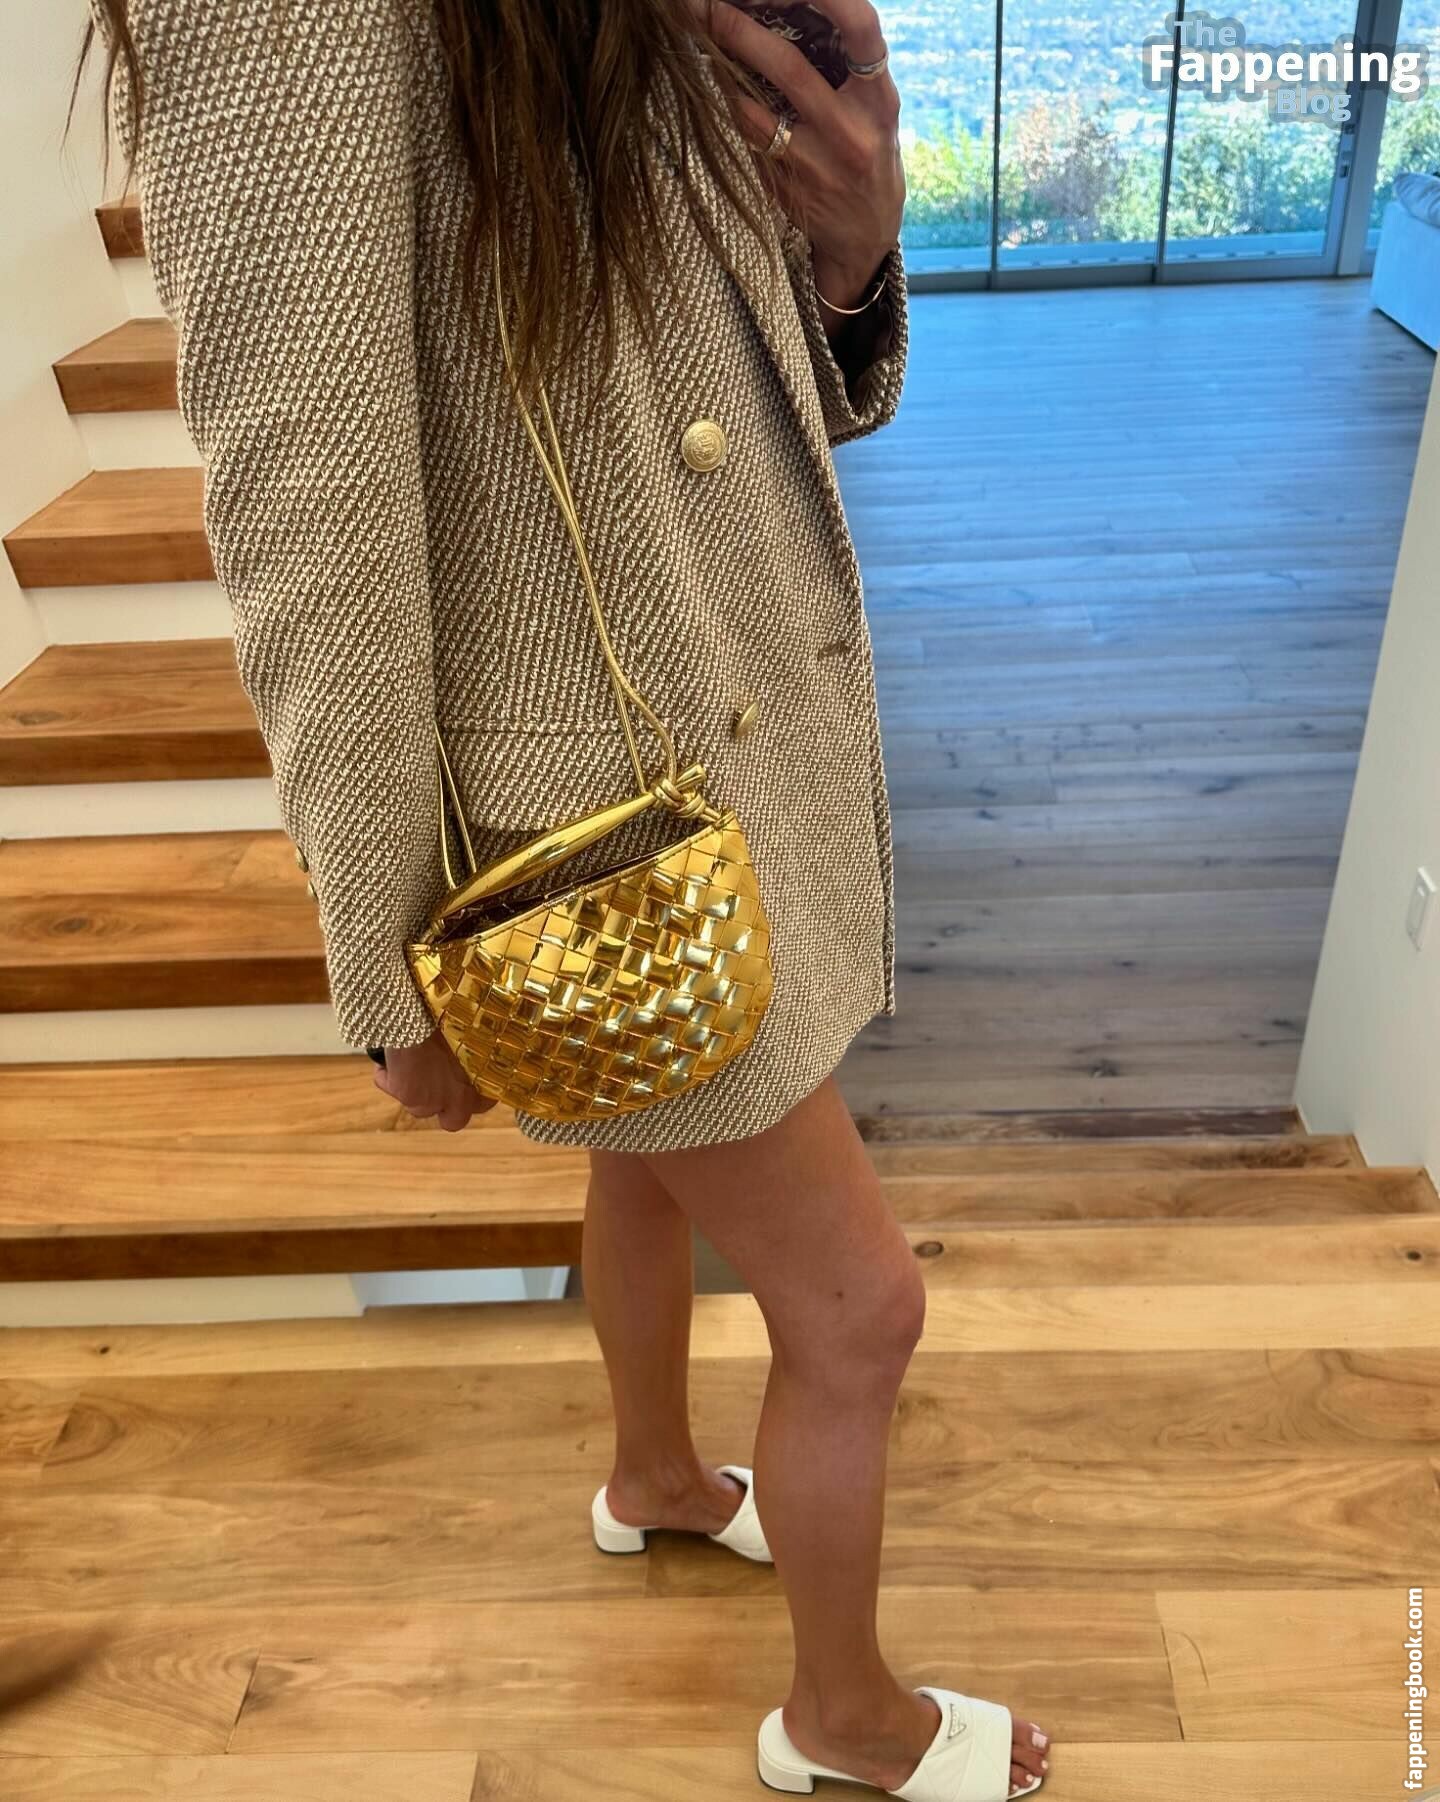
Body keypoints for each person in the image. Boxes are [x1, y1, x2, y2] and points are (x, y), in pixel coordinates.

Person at [81, 2, 1051, 1795]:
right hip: (599, 810)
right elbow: (308, 492)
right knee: (861, 1311)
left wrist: (848, 262)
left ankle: (656, 1477)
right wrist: (390, 953)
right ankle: (846, 1722)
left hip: (703, 719)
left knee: (644, 1162)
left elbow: (670, 343)